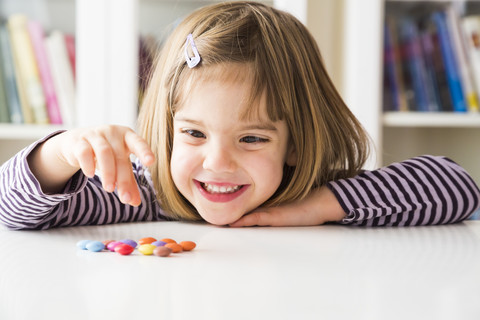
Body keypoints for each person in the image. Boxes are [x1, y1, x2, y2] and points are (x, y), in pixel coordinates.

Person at [0, 1, 478, 230]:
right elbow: (12, 211)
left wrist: (315, 207)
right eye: (192, 133)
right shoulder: (140, 196)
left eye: (252, 139)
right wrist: (59, 153)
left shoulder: (316, 193)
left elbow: (457, 187)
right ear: (165, 131)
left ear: (294, 142)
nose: (218, 163)